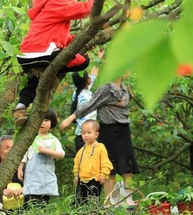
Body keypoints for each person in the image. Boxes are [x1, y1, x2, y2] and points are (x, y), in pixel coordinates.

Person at [13, 0, 108, 126]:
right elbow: (85, 9)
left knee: (33, 83)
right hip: (44, 53)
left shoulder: (46, 2)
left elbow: (58, 37)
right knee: (83, 60)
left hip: (28, 56)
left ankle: (20, 108)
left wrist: (74, 39)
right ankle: (51, 74)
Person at [60, 74, 139, 207]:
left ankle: (128, 201)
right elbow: (89, 105)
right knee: (110, 169)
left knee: (128, 167)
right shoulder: (105, 89)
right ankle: (109, 203)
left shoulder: (124, 89)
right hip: (109, 131)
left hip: (124, 131)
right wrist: (71, 118)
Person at [18, 109, 65, 206]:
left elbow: (61, 154)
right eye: (40, 120)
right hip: (32, 177)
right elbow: (24, 155)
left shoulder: (53, 140)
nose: (42, 123)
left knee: (43, 203)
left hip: (45, 179)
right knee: (30, 201)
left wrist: (47, 151)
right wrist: (20, 168)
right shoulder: (31, 138)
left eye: (46, 120)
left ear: (52, 122)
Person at [72, 120, 113, 205]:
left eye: (89, 133)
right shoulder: (82, 149)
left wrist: (103, 174)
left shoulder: (100, 147)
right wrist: (76, 175)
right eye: (83, 133)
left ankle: (93, 214)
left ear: (96, 134)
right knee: (80, 200)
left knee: (92, 199)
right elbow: (77, 163)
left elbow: (105, 163)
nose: (86, 135)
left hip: (95, 179)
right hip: (82, 179)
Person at [70, 64, 99, 150]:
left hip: (84, 135)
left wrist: (99, 59)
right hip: (86, 138)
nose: (91, 77)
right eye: (88, 76)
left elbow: (93, 75)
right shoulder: (85, 98)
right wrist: (89, 136)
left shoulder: (79, 91)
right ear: (87, 80)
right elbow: (84, 120)